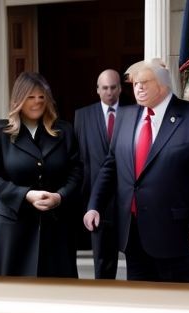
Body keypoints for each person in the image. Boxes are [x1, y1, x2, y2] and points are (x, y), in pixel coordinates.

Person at [83, 59, 189, 284]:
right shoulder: (126, 116)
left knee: (181, 300)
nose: (138, 88)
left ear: (163, 84)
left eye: (144, 82)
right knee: (141, 300)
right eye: (135, 84)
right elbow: (111, 165)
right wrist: (94, 205)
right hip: (134, 235)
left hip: (179, 235)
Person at [0, 71, 82, 277]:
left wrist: (59, 196)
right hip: (12, 228)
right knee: (12, 291)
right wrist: (25, 195)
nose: (37, 102)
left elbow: (76, 172)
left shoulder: (64, 131)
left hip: (55, 227)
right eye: (31, 97)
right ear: (19, 99)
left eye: (41, 97)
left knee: (56, 290)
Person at [74, 69, 123, 279]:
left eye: (113, 87)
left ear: (120, 88)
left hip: (126, 196)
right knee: (102, 262)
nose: (109, 92)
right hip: (97, 199)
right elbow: (79, 157)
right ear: (97, 90)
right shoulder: (82, 116)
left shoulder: (133, 113)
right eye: (105, 88)